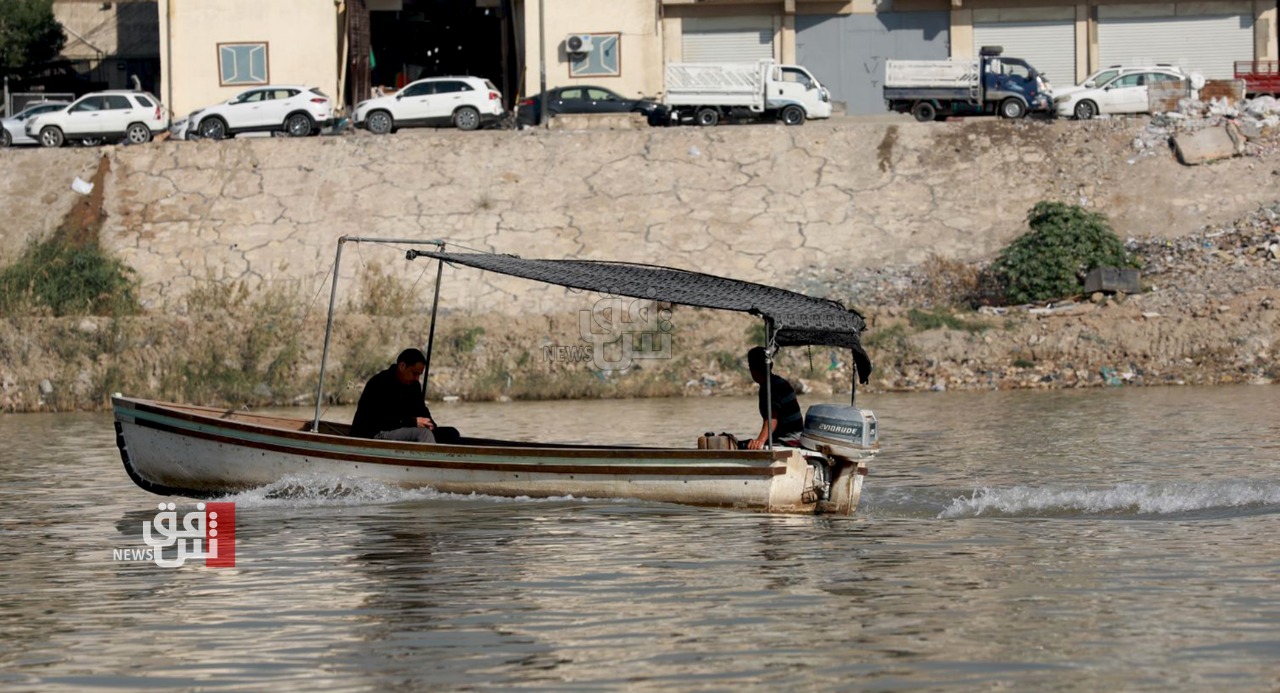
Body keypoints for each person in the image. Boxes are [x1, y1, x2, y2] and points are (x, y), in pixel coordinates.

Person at [350, 348, 460, 444]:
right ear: (402, 366)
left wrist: (431, 424)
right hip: (373, 434)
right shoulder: (380, 383)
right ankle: (430, 466)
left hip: (402, 430)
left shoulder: (414, 385)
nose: (417, 378)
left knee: (451, 433)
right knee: (424, 435)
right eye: (414, 373)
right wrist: (413, 422)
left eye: (419, 375)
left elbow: (421, 410)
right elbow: (381, 418)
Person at [745, 346, 803, 450]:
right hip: (794, 436)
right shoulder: (777, 382)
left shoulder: (770, 387)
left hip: (789, 439)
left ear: (753, 369)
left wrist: (760, 441)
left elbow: (772, 420)